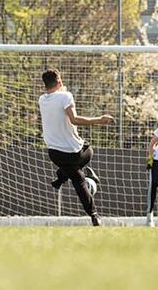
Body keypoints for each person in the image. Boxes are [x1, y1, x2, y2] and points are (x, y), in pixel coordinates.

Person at [38, 69, 115, 226]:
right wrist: (100, 119)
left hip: (54, 153)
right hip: (73, 152)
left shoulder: (42, 99)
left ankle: (94, 215)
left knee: (78, 179)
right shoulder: (66, 96)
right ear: (59, 81)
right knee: (89, 151)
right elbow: (74, 119)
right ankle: (64, 176)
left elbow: (54, 99)